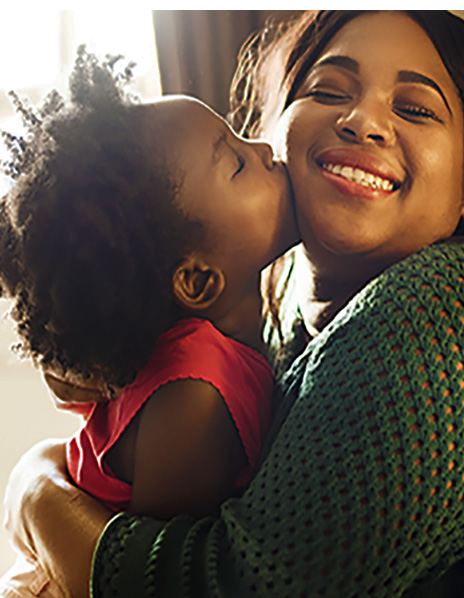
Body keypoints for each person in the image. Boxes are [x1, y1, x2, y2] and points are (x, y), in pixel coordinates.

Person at [5, 9, 464, 598]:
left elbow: (230, 584)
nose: (365, 120)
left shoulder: (453, 305)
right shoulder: (274, 314)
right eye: (328, 90)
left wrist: (36, 491)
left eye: (415, 108)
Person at [0, 47, 298, 597]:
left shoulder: (203, 345)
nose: (261, 148)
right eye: (234, 162)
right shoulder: (197, 395)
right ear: (198, 281)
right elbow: (148, 576)